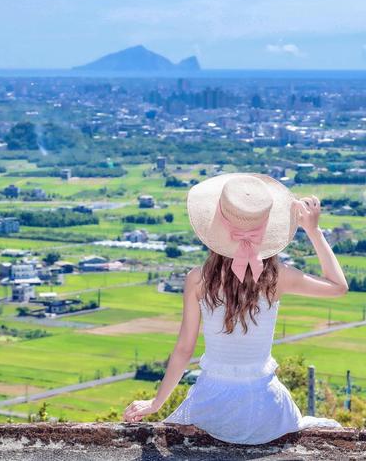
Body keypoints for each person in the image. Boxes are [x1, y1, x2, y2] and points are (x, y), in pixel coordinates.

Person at [123, 173, 348, 444]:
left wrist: (156, 402)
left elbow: (184, 349)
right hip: (268, 411)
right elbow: (338, 286)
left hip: (210, 408)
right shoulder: (278, 276)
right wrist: (313, 230)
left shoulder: (199, 279)